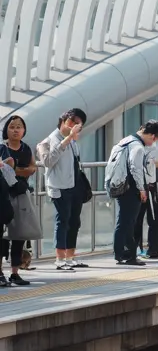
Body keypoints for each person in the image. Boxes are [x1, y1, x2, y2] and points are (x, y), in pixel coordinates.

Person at [36, 108, 88, 271]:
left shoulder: (73, 141)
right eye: (72, 122)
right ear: (63, 121)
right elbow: (48, 161)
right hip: (59, 187)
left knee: (74, 221)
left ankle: (70, 257)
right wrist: (68, 138)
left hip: (75, 185)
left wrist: (71, 138)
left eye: (78, 124)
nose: (74, 126)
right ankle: (59, 258)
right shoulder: (50, 140)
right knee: (63, 220)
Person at [108, 120, 158, 266]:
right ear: (152, 135)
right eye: (154, 139)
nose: (153, 142)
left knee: (123, 220)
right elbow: (135, 169)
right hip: (130, 187)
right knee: (128, 222)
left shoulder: (125, 141)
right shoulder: (137, 147)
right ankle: (127, 254)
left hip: (119, 184)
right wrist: (142, 189)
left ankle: (122, 253)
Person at [1, 115, 36, 286]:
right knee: (2, 236)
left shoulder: (26, 148)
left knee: (19, 234)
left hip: (21, 194)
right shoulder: (2, 148)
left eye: (19, 127)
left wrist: (16, 170)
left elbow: (32, 168)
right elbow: (8, 169)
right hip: (3, 194)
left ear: (24, 130)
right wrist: (21, 170)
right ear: (6, 129)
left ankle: (15, 272)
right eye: (12, 126)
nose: (16, 130)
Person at [135, 124, 158, 260]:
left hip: (151, 184)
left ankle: (151, 249)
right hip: (143, 186)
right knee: (139, 218)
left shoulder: (157, 144)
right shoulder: (139, 145)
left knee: (154, 214)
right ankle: (139, 250)